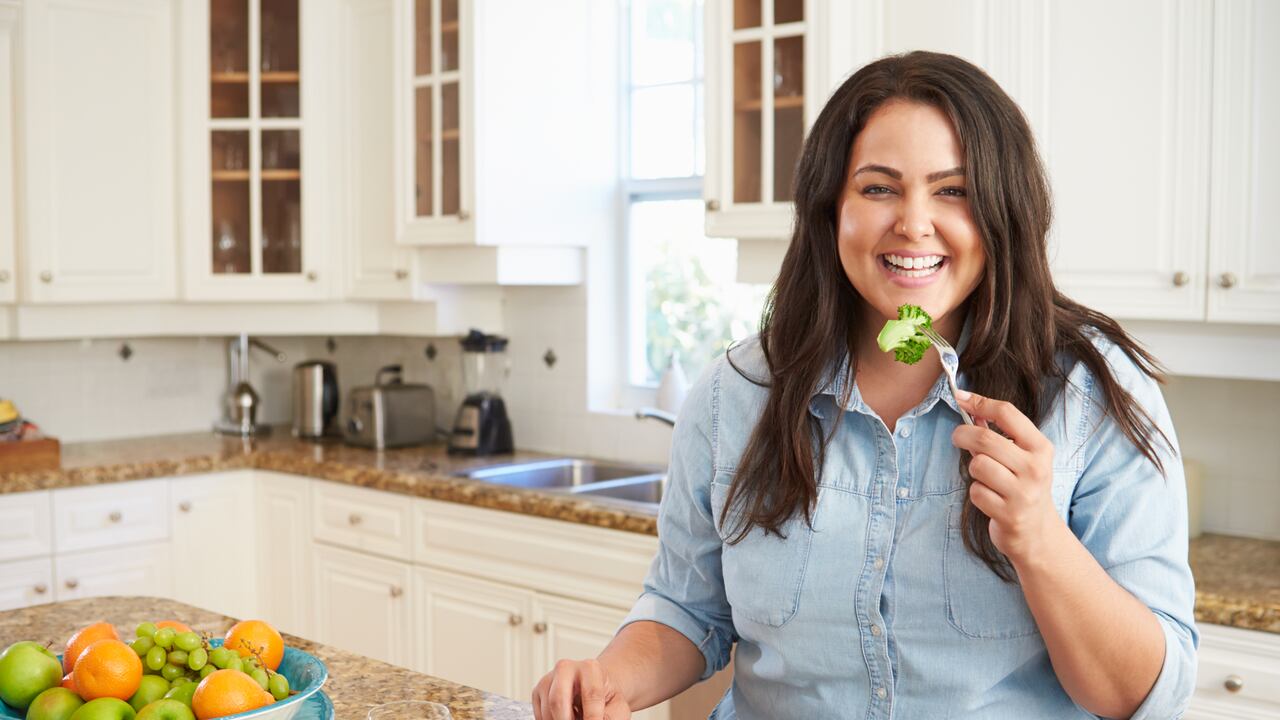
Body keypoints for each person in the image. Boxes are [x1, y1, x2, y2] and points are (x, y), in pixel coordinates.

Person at [532, 50, 1197, 720]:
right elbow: (686, 607)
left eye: (953, 190)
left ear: (1004, 211)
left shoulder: (1092, 395)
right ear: (831, 209)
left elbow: (1142, 695)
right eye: (878, 188)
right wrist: (607, 682)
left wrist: (1040, 537)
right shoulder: (733, 395)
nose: (912, 222)